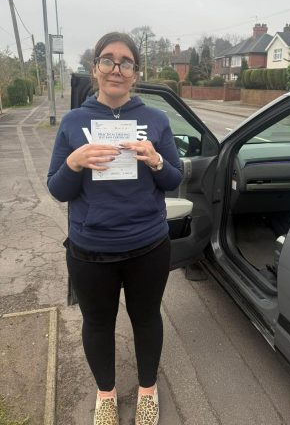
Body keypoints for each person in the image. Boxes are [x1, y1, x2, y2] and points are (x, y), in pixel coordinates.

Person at [47, 32, 183, 425]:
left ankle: (147, 390)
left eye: (126, 62)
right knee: (98, 324)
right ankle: (105, 394)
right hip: (91, 250)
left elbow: (172, 180)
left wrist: (156, 160)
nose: (116, 68)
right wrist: (74, 162)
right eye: (108, 60)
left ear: (136, 73)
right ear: (95, 69)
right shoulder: (75, 122)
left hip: (148, 246)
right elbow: (57, 188)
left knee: (146, 319)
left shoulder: (155, 120)